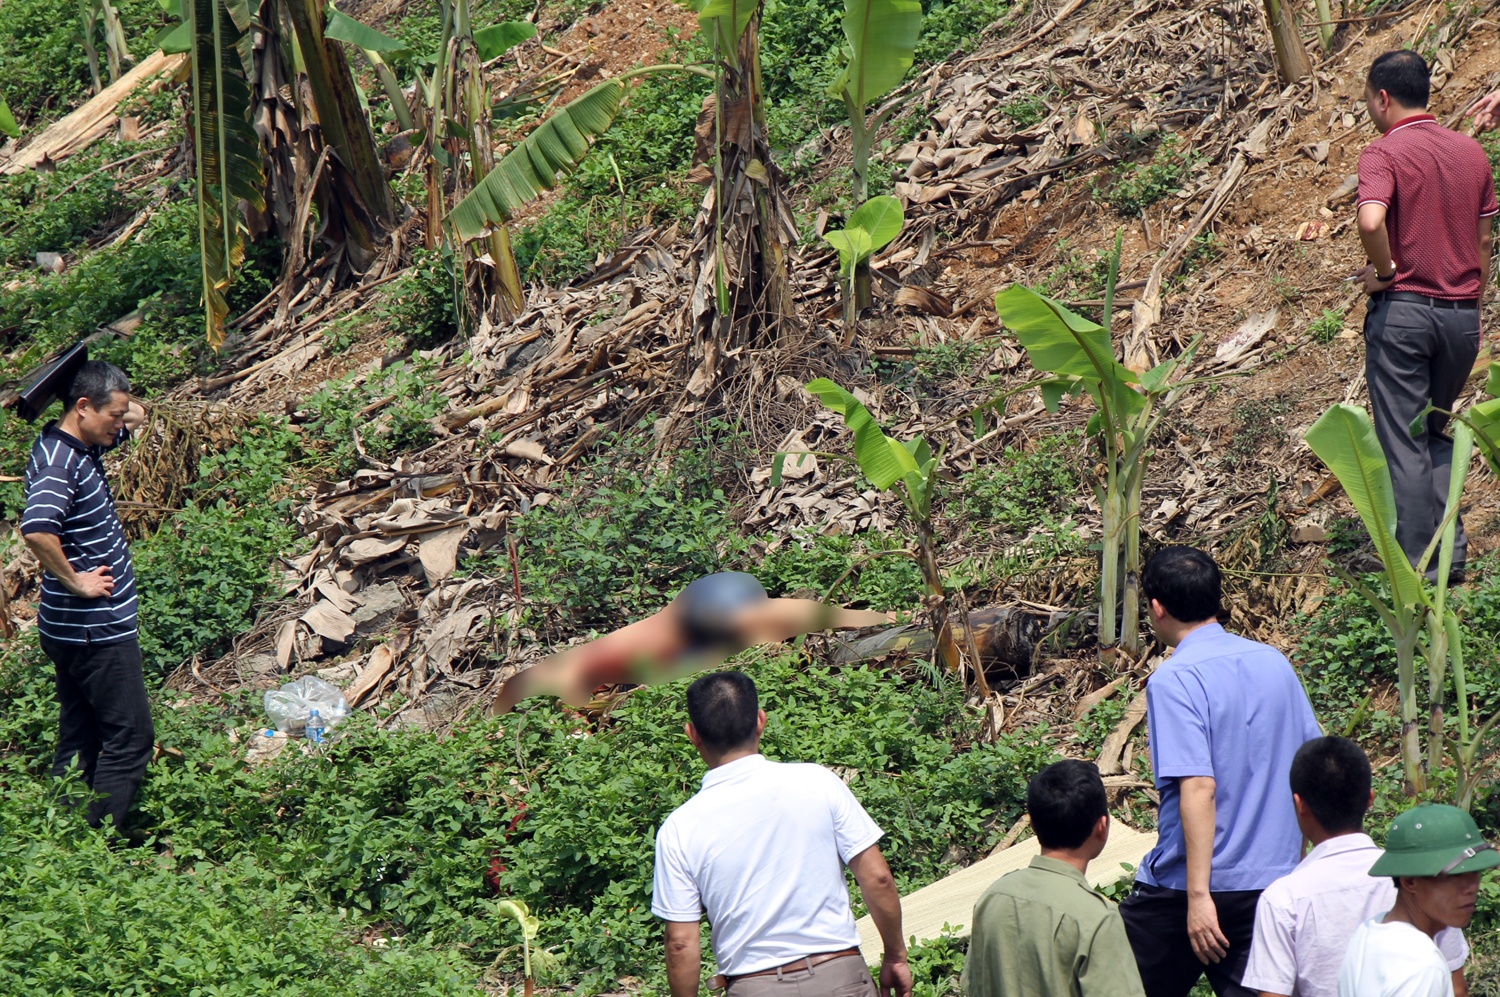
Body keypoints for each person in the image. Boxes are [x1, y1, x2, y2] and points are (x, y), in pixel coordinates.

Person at [1118, 546, 1323, 997]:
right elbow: (1312, 764)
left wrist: (1197, 898)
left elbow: (1198, 787)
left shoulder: (1176, 678)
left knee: (1114, 984)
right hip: (1271, 884)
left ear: (1157, 607)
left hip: (1187, 890)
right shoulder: (1273, 661)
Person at [651, 670, 912, 997]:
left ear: (692, 734)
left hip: (754, 987)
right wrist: (895, 956)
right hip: (841, 978)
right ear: (761, 720)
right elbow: (878, 879)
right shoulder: (818, 782)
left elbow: (680, 942)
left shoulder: (679, 828)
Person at [1355, 50, 1497, 580]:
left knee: (1405, 440)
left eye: (1368, 99)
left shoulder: (1383, 152)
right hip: (1462, 317)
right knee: (1436, 430)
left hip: (1406, 315)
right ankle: (1452, 557)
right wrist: (1472, 303)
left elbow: (1372, 222)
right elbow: (1484, 240)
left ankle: (1418, 567)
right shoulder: (1471, 153)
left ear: (1383, 97)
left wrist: (1387, 272)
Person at [20, 360, 151, 833]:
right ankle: (101, 845)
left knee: (80, 734)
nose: (122, 423)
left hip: (68, 628)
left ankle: (63, 831)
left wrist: (112, 398)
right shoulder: (60, 465)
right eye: (112, 415)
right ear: (82, 408)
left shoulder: (81, 443)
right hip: (94, 629)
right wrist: (78, 580)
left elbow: (135, 415)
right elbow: (36, 530)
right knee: (131, 737)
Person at [1242, 737, 1469, 997]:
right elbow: (1457, 988)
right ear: (1370, 799)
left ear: (1299, 804)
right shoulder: (1420, 879)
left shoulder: (1282, 899)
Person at [491, 571, 896, 712]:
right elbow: (514, 688)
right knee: (755, 633)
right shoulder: (609, 670)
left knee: (753, 624)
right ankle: (872, 619)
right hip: (697, 628)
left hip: (702, 609)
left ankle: (874, 618)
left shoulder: (575, 668)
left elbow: (516, 687)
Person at [963, 759, 1146, 997]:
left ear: (1033, 825)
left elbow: (972, 984)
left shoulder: (994, 897)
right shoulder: (1095, 918)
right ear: (1102, 827)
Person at [1338, 804, 1497, 997]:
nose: (1471, 887)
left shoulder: (1368, 932)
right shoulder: (1422, 967)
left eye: (1475, 873)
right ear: (1410, 881)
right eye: (1454, 876)